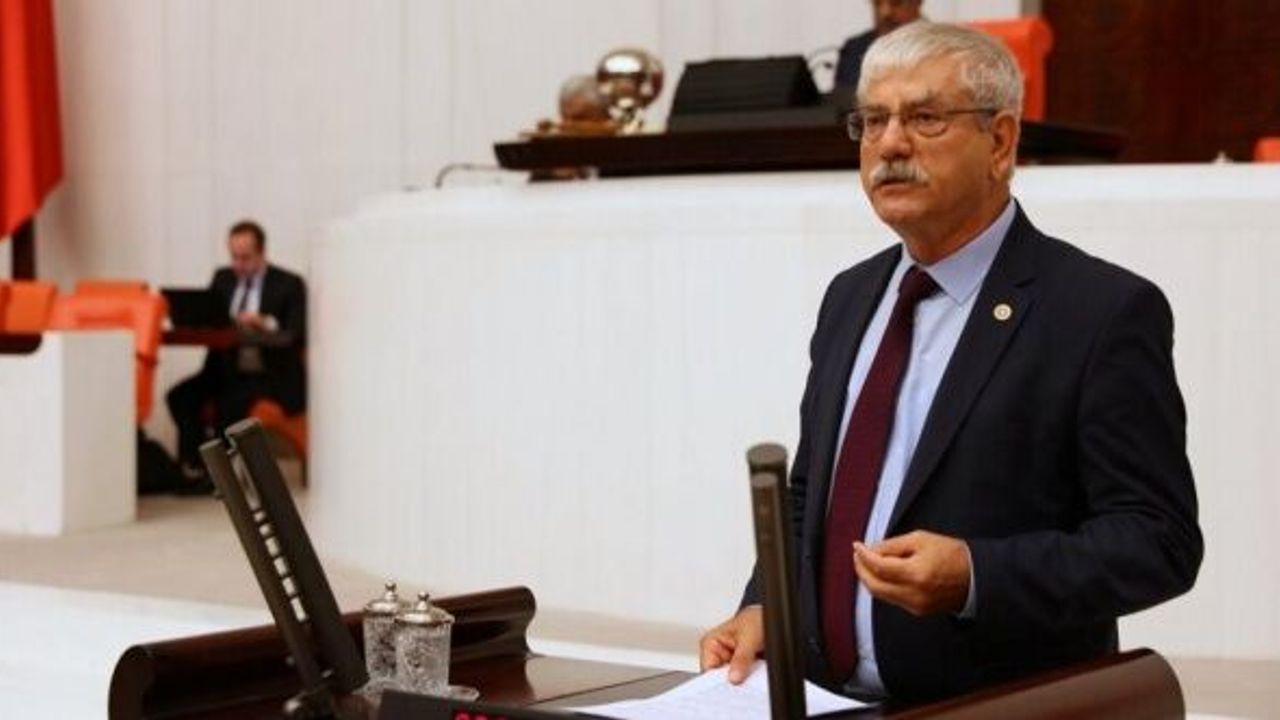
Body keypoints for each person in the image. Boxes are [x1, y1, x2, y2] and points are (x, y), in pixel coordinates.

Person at [700, 22, 1202, 702]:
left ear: (1000, 143)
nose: (890, 144)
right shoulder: (851, 296)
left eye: (924, 118)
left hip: (997, 707)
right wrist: (767, 606)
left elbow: (1156, 541)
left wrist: (975, 574)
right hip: (828, 702)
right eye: (873, 121)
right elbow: (809, 493)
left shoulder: (1099, 311)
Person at [166, 220, 307, 489]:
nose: (239, 264)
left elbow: (296, 333)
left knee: (228, 403)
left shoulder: (288, 284)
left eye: (246, 257)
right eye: (234, 257)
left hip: (270, 377)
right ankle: (196, 469)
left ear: (262, 252)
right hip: (226, 371)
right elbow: (212, 320)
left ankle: (221, 477)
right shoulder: (223, 279)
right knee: (181, 397)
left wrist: (265, 323)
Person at [835, 0, 923, 90]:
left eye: (896, 3)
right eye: (877, 3)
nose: (885, 12)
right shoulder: (853, 50)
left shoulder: (931, 50)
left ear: (917, 3)